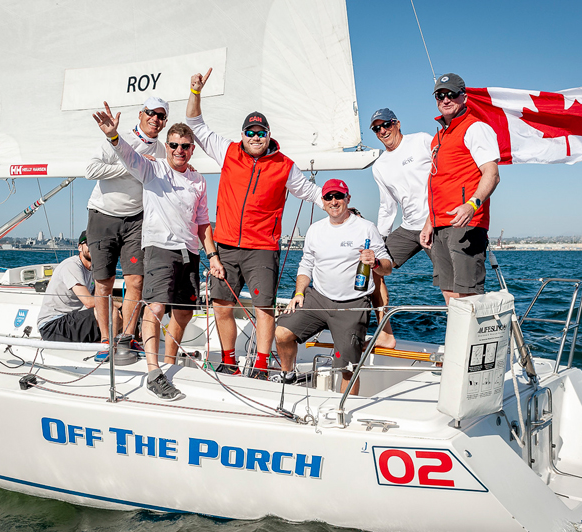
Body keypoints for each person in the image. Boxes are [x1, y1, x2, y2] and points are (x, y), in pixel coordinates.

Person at [185, 68, 323, 380]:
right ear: (243, 134)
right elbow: (195, 124)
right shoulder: (228, 151)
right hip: (226, 246)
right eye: (250, 132)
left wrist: (341, 207)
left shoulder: (284, 166)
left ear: (269, 135)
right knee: (221, 305)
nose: (255, 137)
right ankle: (229, 361)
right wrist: (195, 92)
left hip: (262, 249)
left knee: (263, 308)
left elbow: (313, 193)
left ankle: (260, 365)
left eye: (261, 133)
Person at [93, 103, 225, 401]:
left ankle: (169, 364)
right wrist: (114, 136)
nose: (180, 150)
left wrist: (213, 256)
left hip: (190, 252)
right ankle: (153, 373)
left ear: (193, 150)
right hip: (160, 249)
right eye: (175, 145)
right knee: (155, 308)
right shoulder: (153, 168)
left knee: (183, 313)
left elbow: (203, 222)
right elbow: (127, 156)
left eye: (186, 147)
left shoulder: (198, 179)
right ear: (168, 146)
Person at [275, 179, 392, 395]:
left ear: (348, 198)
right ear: (323, 201)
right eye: (329, 197)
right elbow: (306, 264)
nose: (334, 201)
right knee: (282, 333)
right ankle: (288, 375)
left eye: (338, 196)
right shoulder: (315, 230)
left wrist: (375, 262)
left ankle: (342, 408)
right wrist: (299, 292)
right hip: (318, 298)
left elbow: (387, 267)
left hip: (352, 304)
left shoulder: (366, 228)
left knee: (348, 369)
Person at [85, 96, 169, 347]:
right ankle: (104, 339)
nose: (155, 118)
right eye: (150, 113)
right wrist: (133, 165)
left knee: (136, 280)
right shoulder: (119, 140)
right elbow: (90, 170)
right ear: (140, 114)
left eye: (161, 115)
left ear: (165, 122)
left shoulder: (164, 150)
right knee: (104, 282)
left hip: (136, 219)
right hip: (103, 215)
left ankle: (128, 337)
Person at [419, 73, 501, 305]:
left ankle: (473, 341)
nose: (445, 99)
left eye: (451, 94)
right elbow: (441, 184)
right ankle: (459, 340)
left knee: (468, 294)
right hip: (440, 226)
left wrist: (472, 204)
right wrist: (429, 222)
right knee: (449, 292)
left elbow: (492, 174)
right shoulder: (439, 137)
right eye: (440, 95)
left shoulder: (475, 128)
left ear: (463, 97)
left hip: (466, 225)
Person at [369, 108, 433, 348]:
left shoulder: (422, 141)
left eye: (386, 124)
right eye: (376, 128)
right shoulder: (380, 166)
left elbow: (445, 173)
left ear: (396, 123)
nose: (382, 131)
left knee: (452, 283)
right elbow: (387, 207)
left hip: (436, 223)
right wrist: (378, 241)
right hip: (409, 228)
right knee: (374, 268)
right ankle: (385, 334)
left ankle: (463, 341)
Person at [37, 231, 122, 343]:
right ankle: (110, 349)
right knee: (111, 311)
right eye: (89, 243)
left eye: (97, 244)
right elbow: (88, 302)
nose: (93, 247)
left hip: (72, 319)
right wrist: (119, 303)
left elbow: (99, 297)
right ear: (80, 247)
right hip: (53, 325)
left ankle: (115, 344)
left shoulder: (94, 270)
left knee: (121, 315)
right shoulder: (71, 266)